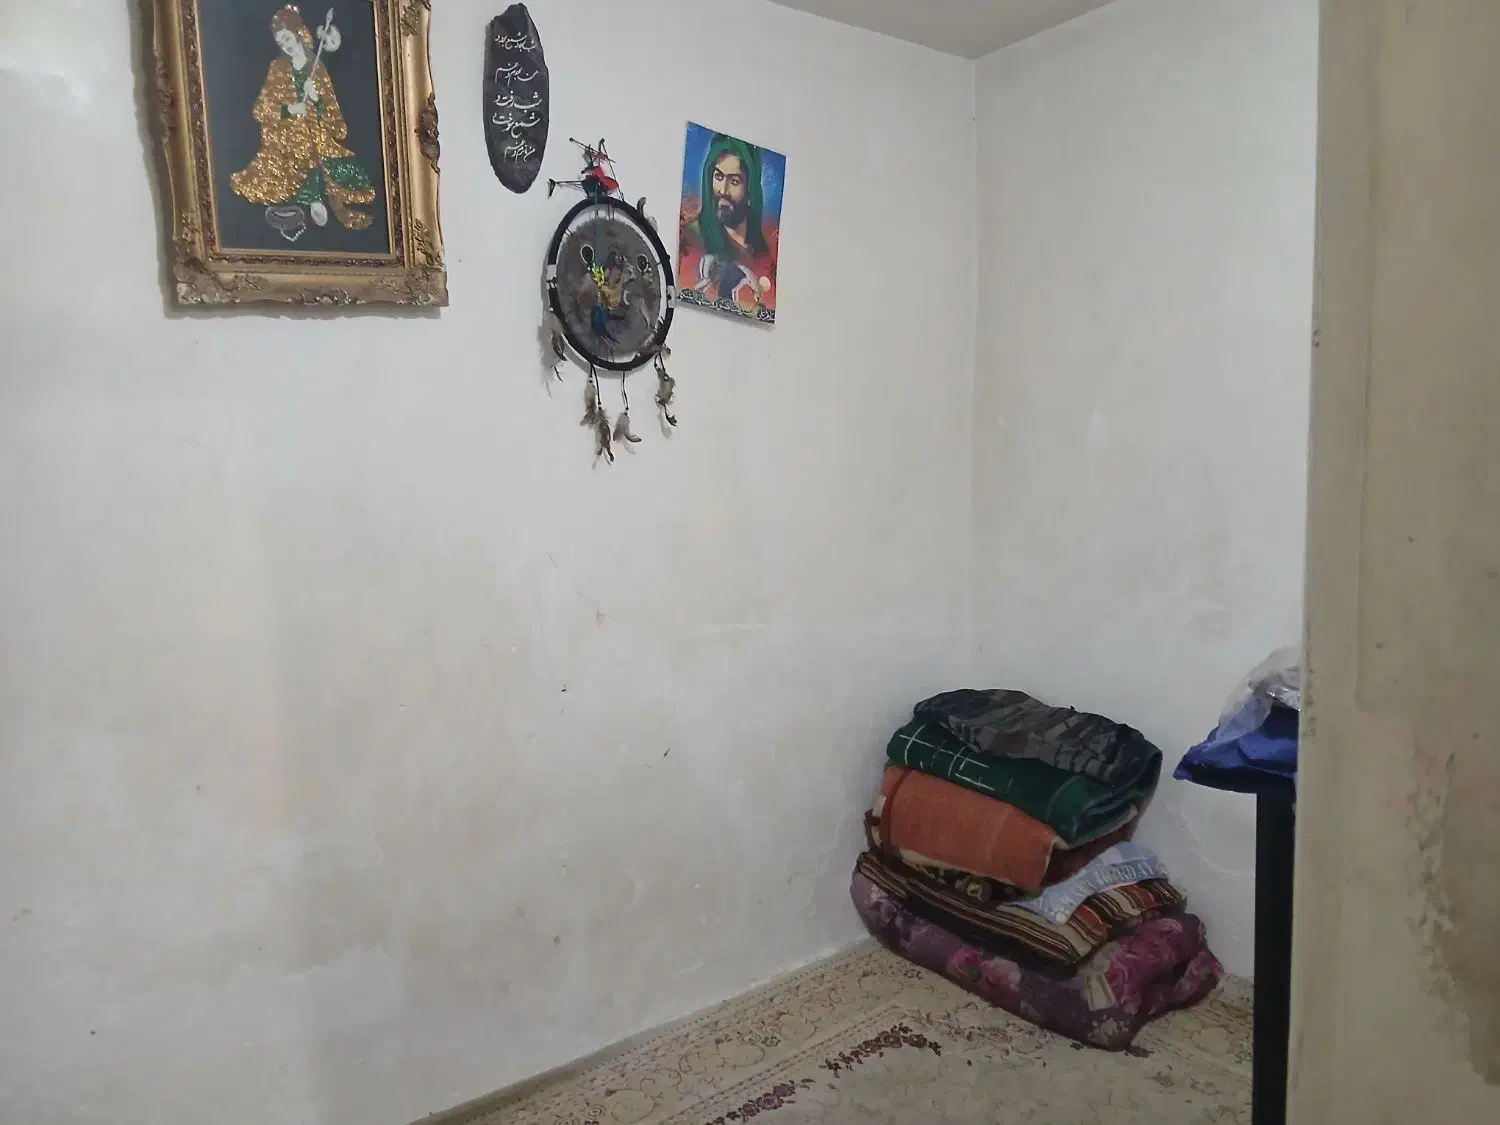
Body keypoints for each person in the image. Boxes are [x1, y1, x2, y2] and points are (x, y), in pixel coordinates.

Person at [231, 6, 376, 231]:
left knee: (345, 169)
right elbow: (261, 109)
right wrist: (290, 109)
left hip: (317, 131)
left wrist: (316, 98)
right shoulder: (278, 68)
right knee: (301, 150)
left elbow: (331, 112)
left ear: (297, 33)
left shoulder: (316, 68)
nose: (285, 45)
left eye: (287, 38)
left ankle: (319, 197)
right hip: (287, 134)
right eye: (280, 42)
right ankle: (314, 200)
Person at [678, 134, 778, 315]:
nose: (722, 190)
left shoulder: (766, 251)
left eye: (734, 181)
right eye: (718, 176)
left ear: (750, 190)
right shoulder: (690, 238)